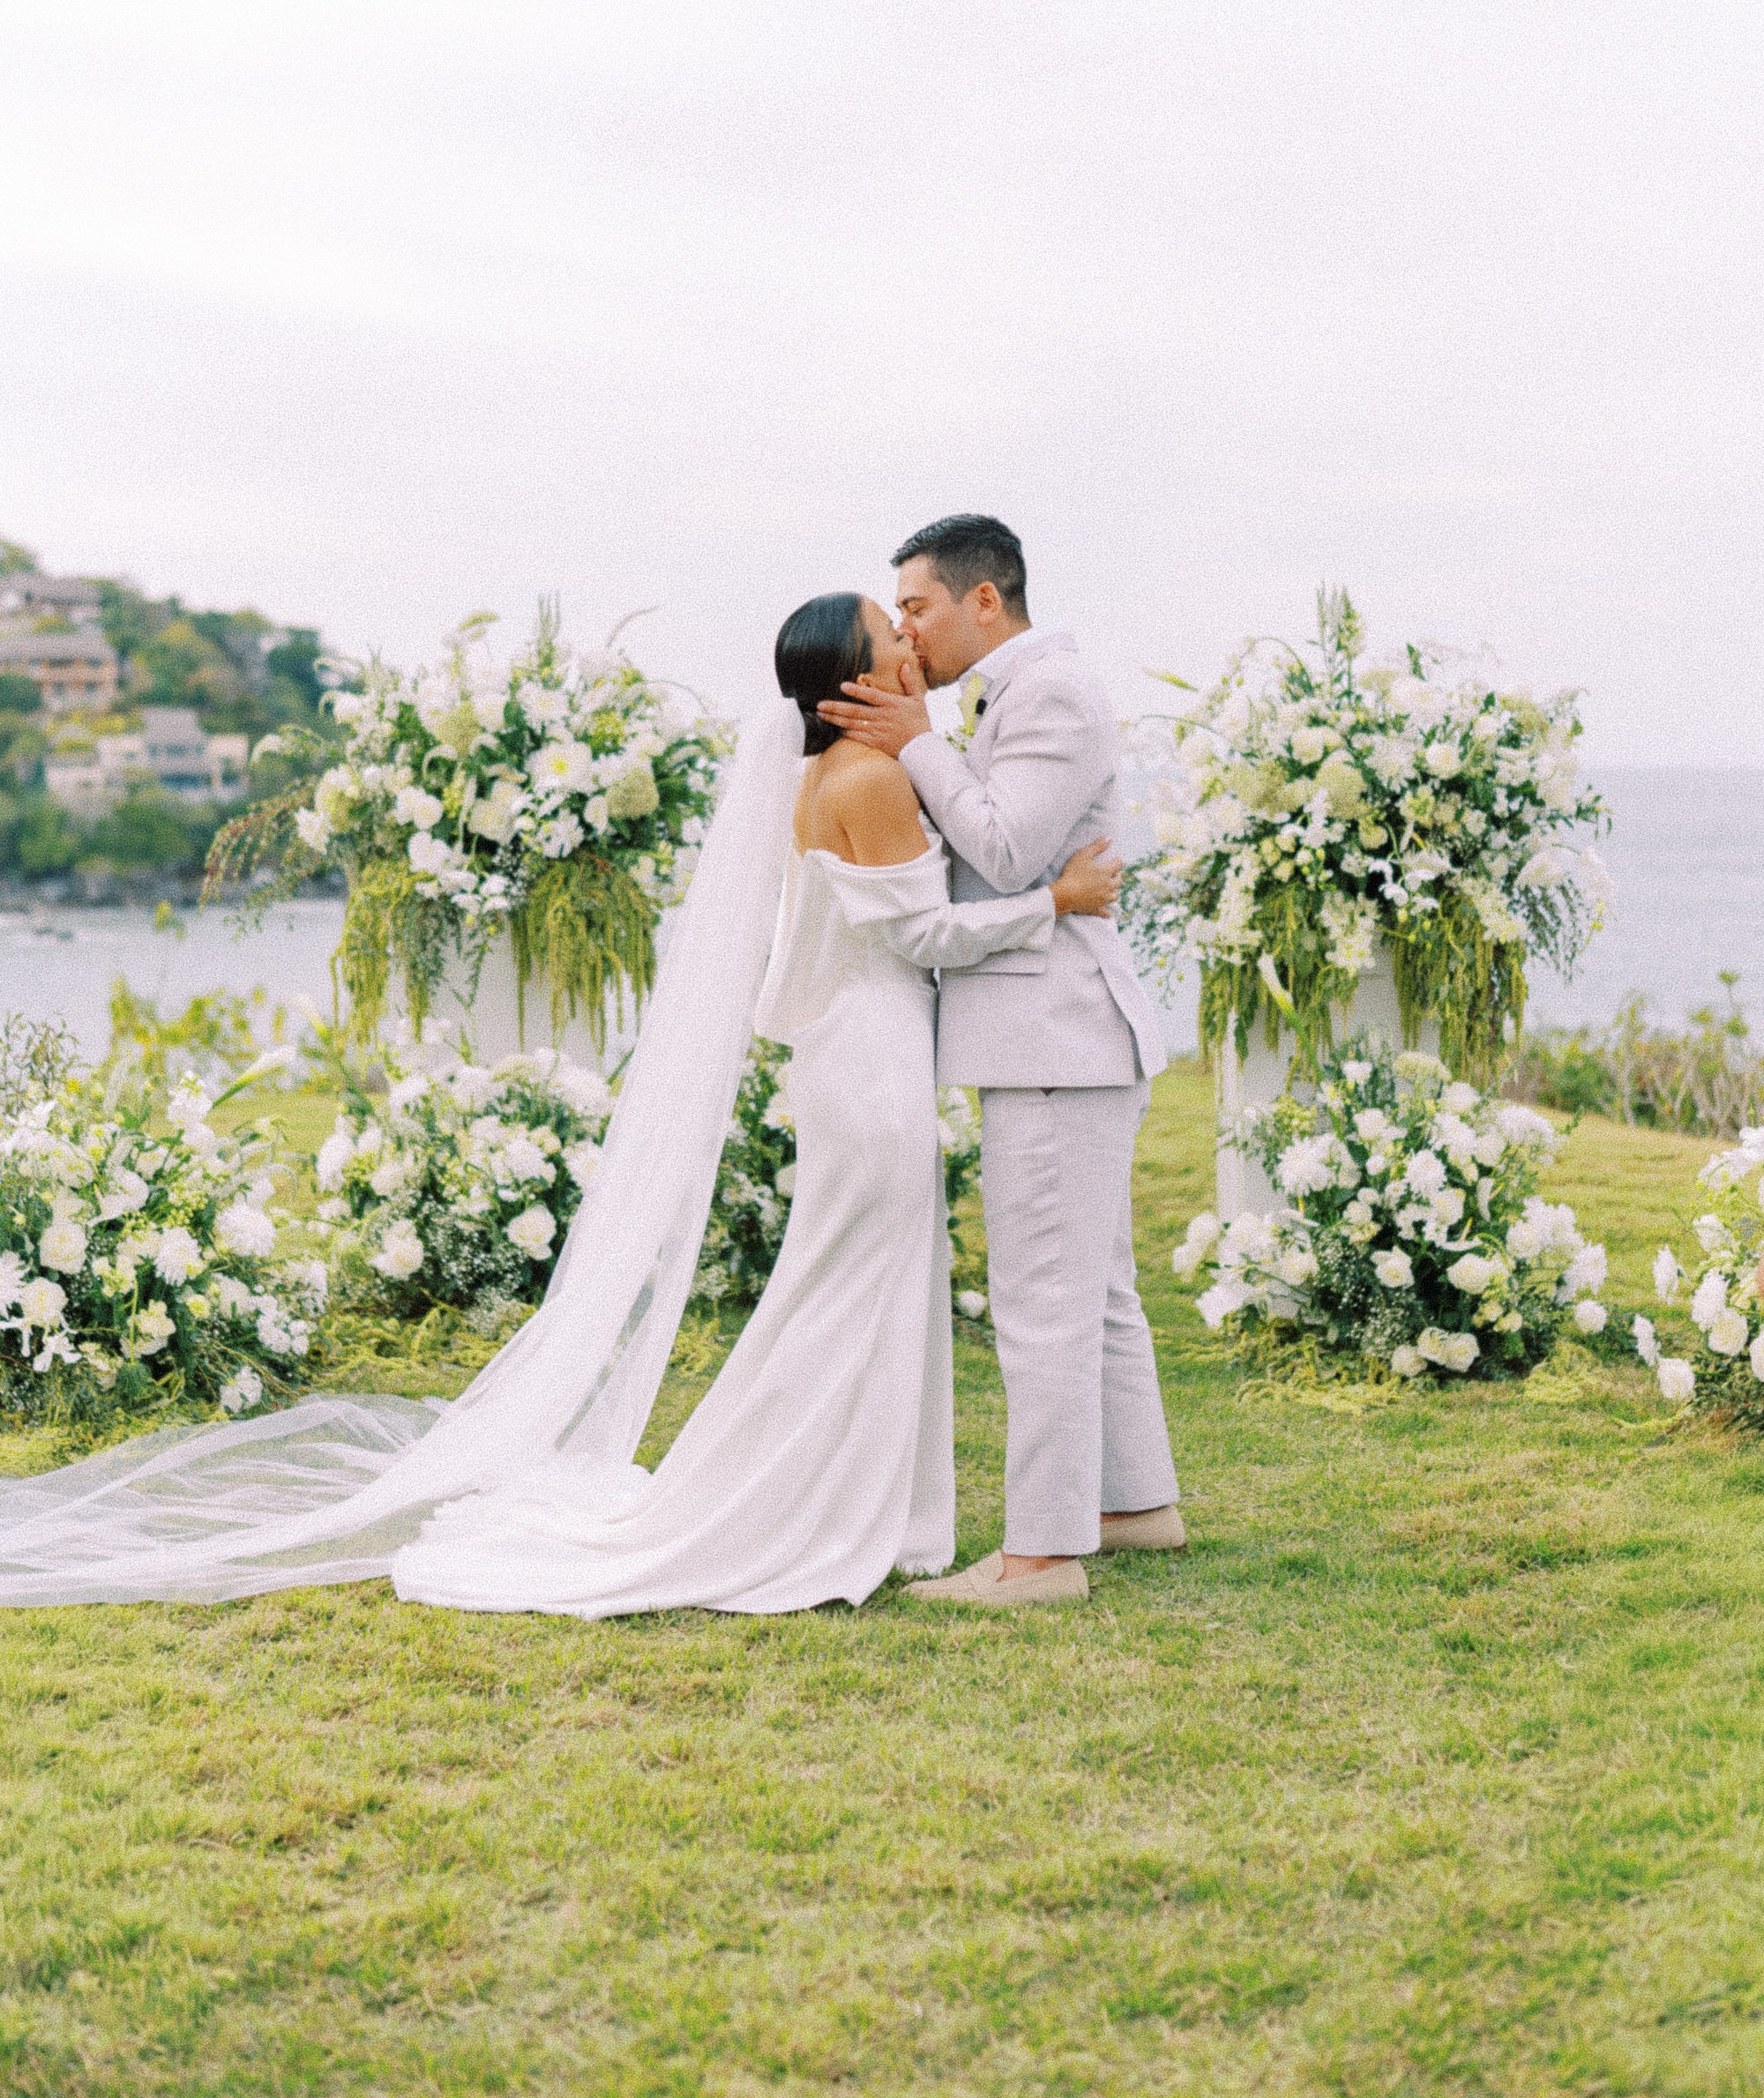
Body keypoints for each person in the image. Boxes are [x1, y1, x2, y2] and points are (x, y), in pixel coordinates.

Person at [0, 594, 1119, 1618]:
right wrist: (1054, 903)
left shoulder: (838, 776)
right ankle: (794, 1510)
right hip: (870, 1066)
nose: (913, 646)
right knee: (844, 1293)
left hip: (859, 1057)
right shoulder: (865, 782)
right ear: (849, 687)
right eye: (893, 639)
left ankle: (869, 1510)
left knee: (861, 1289)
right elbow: (918, 935)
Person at [818, 515, 1184, 1608]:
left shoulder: (1051, 690)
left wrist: (911, 745)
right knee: (1099, 1290)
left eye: (918, 608)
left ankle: (1040, 1556)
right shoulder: (1008, 695)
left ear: (988, 599)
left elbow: (1010, 847)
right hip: (1056, 1033)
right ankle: (1133, 1506)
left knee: (1042, 1305)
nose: (910, 637)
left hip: (1054, 1040)